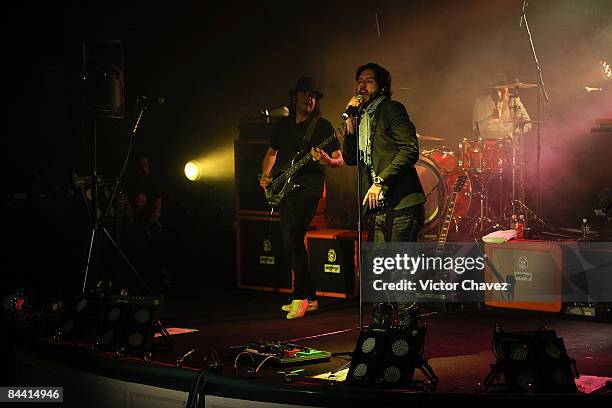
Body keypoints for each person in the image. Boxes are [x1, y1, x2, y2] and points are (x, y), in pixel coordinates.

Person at [342, 63, 425, 326]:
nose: (361, 86)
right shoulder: (362, 117)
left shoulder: (392, 110)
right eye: (359, 81)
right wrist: (350, 130)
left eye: (368, 81)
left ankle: (407, 336)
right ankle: (379, 334)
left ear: (382, 86)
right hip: (378, 206)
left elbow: (410, 150)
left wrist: (380, 181)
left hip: (402, 203)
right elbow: (350, 159)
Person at [259, 76, 344, 320]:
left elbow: (339, 159)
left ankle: (300, 297)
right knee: (289, 239)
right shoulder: (282, 126)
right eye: (306, 93)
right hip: (284, 188)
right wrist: (265, 176)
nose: (310, 98)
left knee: (294, 235)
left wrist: (326, 160)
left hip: (309, 188)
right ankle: (312, 297)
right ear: (294, 97)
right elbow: (271, 153)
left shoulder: (323, 126)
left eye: (314, 95)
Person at [121, 155, 169, 295]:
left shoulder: (154, 184)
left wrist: (148, 224)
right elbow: (126, 206)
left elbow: (157, 208)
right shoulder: (130, 185)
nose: (143, 169)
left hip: (149, 225)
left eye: (146, 166)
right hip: (134, 226)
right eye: (140, 166)